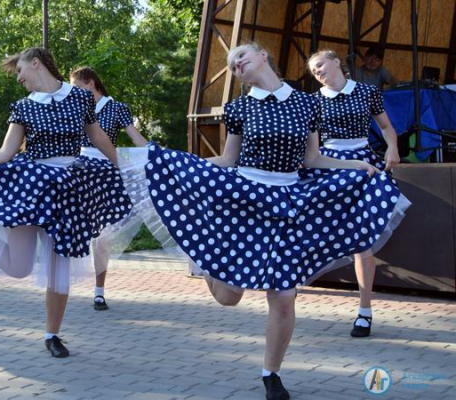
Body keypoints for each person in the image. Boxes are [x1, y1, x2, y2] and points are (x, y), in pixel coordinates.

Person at [120, 42, 405, 400]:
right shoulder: (238, 108)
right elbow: (228, 160)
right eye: (231, 62)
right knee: (228, 297)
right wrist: (184, 169)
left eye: (241, 55)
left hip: (287, 203)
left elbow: (314, 159)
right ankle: (206, 256)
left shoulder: (307, 103)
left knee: (284, 296)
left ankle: (271, 374)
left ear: (263, 55)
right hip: (245, 199)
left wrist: (357, 165)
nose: (235, 63)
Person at [0, 47, 131, 358]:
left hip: (69, 189)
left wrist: (122, 168)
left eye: (20, 70)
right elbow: (6, 151)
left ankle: (52, 335)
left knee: (60, 267)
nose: (18, 78)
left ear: (36, 63)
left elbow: (99, 138)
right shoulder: (22, 107)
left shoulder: (79, 98)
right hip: (31, 187)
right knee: (19, 267)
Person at [308, 49, 410, 338]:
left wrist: (392, 147)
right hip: (327, 167)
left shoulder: (366, 91)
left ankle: (364, 312)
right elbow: (311, 149)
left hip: (364, 166)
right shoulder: (313, 102)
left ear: (337, 61)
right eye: (312, 70)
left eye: (319, 65)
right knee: (307, 231)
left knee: (361, 240)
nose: (316, 71)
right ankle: (283, 297)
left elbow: (387, 127)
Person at [69, 66, 147, 311]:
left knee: (101, 237)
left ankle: (99, 291)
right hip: (79, 172)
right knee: (67, 230)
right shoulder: (77, 107)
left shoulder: (117, 108)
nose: (73, 93)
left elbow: (137, 139)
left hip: (105, 174)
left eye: (76, 87)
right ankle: (58, 286)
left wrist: (156, 157)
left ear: (90, 83)